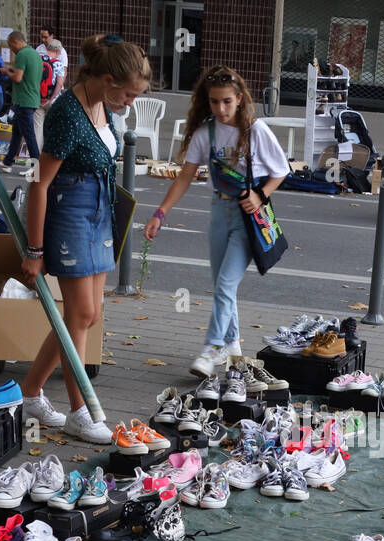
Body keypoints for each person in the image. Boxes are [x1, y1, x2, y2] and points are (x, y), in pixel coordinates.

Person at [19, 36, 151, 442]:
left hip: (98, 210)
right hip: (72, 212)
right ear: (107, 80)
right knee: (78, 315)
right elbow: (39, 183)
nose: (130, 102)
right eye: (128, 94)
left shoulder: (99, 104)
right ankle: (80, 411)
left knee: (88, 315)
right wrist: (35, 250)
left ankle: (29, 393)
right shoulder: (68, 113)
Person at [146, 65, 290, 378]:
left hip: (248, 217)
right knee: (222, 285)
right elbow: (185, 177)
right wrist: (160, 213)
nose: (220, 108)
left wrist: (261, 194)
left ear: (239, 99)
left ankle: (212, 348)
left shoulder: (256, 130)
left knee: (225, 284)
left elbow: (281, 170)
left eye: (227, 101)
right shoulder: (205, 133)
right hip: (218, 214)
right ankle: (234, 348)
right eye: (214, 102)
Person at [0, 31, 42, 174]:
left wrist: (6, 72)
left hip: (23, 100)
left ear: (16, 42)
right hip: (31, 98)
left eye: (11, 46)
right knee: (17, 133)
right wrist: (10, 69)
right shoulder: (34, 54)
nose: (11, 49)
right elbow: (26, 74)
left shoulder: (22, 54)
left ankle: (36, 166)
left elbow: (18, 78)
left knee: (29, 135)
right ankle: (8, 162)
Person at [33, 38, 65, 158]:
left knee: (37, 128)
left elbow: (33, 81)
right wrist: (51, 99)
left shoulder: (37, 61)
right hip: (53, 101)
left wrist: (39, 98)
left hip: (38, 100)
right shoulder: (58, 64)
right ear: (58, 51)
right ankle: (50, 157)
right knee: (53, 127)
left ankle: (36, 157)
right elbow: (60, 83)